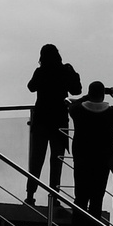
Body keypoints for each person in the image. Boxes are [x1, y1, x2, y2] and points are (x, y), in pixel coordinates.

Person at [66, 81, 113, 226]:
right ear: (103, 95)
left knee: (80, 195)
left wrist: (86, 96)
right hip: (103, 160)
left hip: (82, 158)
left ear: (90, 93)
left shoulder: (78, 111)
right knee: (97, 196)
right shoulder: (111, 113)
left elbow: (71, 106)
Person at [24, 44, 80, 206]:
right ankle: (54, 197)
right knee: (56, 160)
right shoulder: (65, 71)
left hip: (41, 119)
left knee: (36, 159)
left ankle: (30, 195)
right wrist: (71, 72)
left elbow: (30, 87)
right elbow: (76, 90)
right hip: (59, 120)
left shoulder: (41, 72)